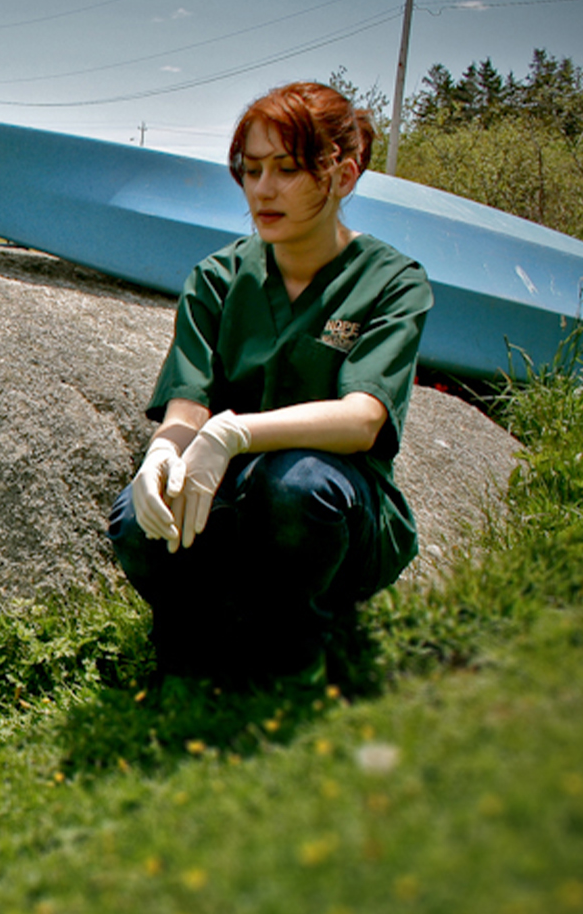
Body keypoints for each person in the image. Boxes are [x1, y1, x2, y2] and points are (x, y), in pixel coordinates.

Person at [107, 82, 432, 694]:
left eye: (287, 169)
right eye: (251, 170)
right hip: (231, 498)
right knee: (134, 519)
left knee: (298, 488)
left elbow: (362, 418)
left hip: (332, 506)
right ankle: (190, 648)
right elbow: (186, 404)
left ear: (345, 174)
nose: (263, 189)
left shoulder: (392, 282)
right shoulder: (217, 277)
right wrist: (163, 453)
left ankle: (296, 651)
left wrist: (235, 433)